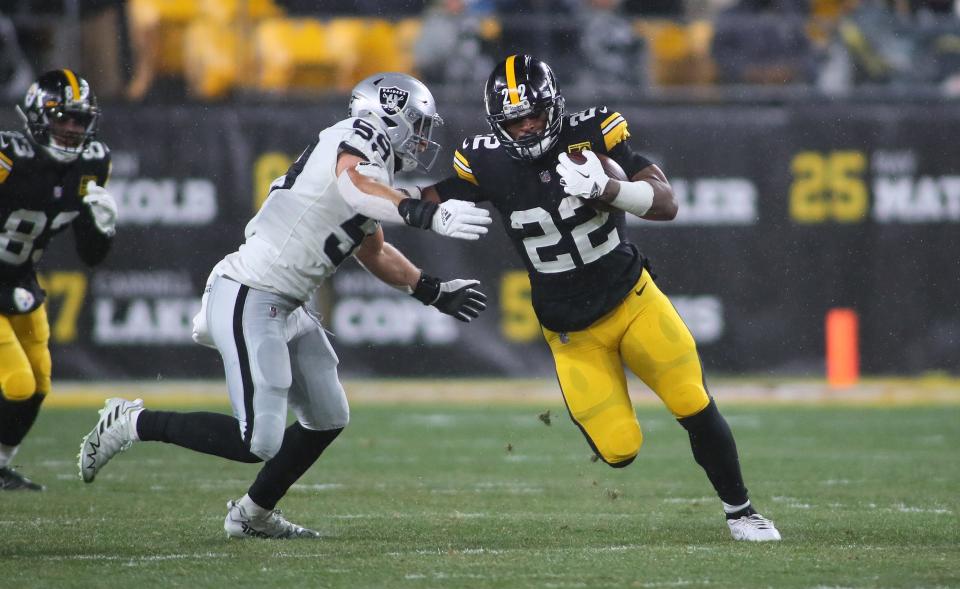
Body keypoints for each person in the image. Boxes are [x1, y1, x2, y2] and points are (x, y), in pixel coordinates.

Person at [77, 73, 492, 538]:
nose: (422, 136)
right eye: (417, 123)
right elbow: (355, 184)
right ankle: (132, 421)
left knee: (327, 416)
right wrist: (428, 214)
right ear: (390, 115)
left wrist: (432, 290)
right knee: (257, 440)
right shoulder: (360, 137)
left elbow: (371, 248)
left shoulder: (373, 163)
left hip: (286, 302)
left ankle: (252, 516)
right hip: (250, 291)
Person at [418, 55, 782, 542]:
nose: (526, 128)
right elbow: (422, 199)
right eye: (513, 121)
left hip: (634, 301)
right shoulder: (485, 162)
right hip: (572, 333)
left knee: (693, 403)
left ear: (555, 106)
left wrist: (610, 188)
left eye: (533, 115)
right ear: (496, 125)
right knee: (620, 450)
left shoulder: (591, 135)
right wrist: (397, 208)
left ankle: (742, 513)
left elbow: (666, 203)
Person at [1, 70, 117, 491]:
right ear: (36, 116)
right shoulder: (8, 156)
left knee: (40, 380)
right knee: (17, 382)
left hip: (20, 277)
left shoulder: (92, 162)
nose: (71, 128)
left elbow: (90, 256)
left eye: (79, 120)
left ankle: (0, 464)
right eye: (62, 117)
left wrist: (100, 229)